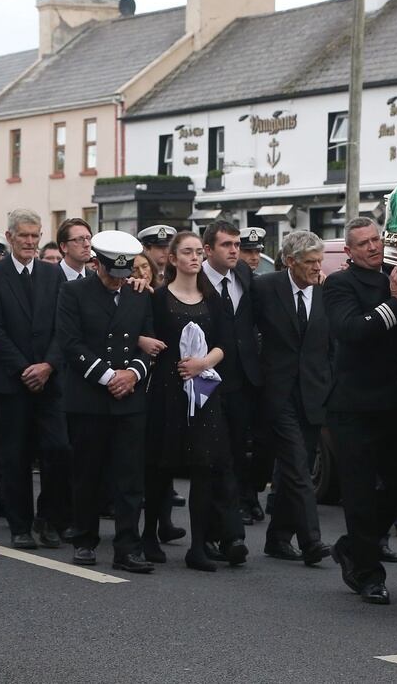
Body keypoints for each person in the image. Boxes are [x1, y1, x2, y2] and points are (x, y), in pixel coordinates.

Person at [324, 217, 397, 605]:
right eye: (362, 243)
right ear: (349, 251)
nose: (372, 247)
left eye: (376, 239)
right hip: (355, 405)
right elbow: (352, 329)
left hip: (396, 403)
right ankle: (367, 574)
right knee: (360, 493)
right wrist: (395, 305)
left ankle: (353, 546)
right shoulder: (339, 285)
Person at [58, 230, 156, 573]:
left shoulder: (139, 295)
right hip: (90, 397)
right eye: (111, 274)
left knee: (130, 477)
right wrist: (108, 376)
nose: (117, 282)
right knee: (88, 472)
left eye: (123, 274)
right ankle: (84, 539)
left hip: (129, 397)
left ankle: (127, 546)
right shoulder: (73, 292)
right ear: (96, 263)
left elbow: (150, 343)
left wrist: (133, 373)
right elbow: (70, 344)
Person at [148, 231, 243, 571]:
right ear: (172, 259)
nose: (193, 258)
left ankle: (198, 546)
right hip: (166, 389)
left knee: (204, 466)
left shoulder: (211, 297)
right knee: (161, 463)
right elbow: (149, 336)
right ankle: (149, 534)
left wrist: (204, 363)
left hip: (204, 389)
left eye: (196, 253)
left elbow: (224, 343)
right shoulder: (159, 298)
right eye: (185, 252)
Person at [0, 209, 69, 550]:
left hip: (50, 379)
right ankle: (20, 525)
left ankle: (49, 518)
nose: (31, 242)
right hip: (10, 381)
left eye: (35, 235)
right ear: (10, 237)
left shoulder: (53, 274)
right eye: (24, 236)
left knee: (58, 449)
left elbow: (64, 327)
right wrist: (24, 369)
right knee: (15, 455)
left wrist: (47, 365)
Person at [253, 230, 333, 567]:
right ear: (289, 262)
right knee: (299, 466)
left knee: (290, 470)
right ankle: (311, 540)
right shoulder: (266, 287)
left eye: (320, 261)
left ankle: (278, 538)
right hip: (278, 392)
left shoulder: (327, 292)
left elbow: (332, 343)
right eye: (311, 262)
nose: (318, 268)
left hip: (314, 393)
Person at [200, 220, 265, 528]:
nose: (235, 251)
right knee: (217, 447)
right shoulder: (194, 279)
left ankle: (245, 498)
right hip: (209, 376)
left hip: (245, 374)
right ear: (208, 249)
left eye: (237, 245)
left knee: (243, 443)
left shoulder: (243, 275)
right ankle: (224, 510)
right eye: (227, 245)